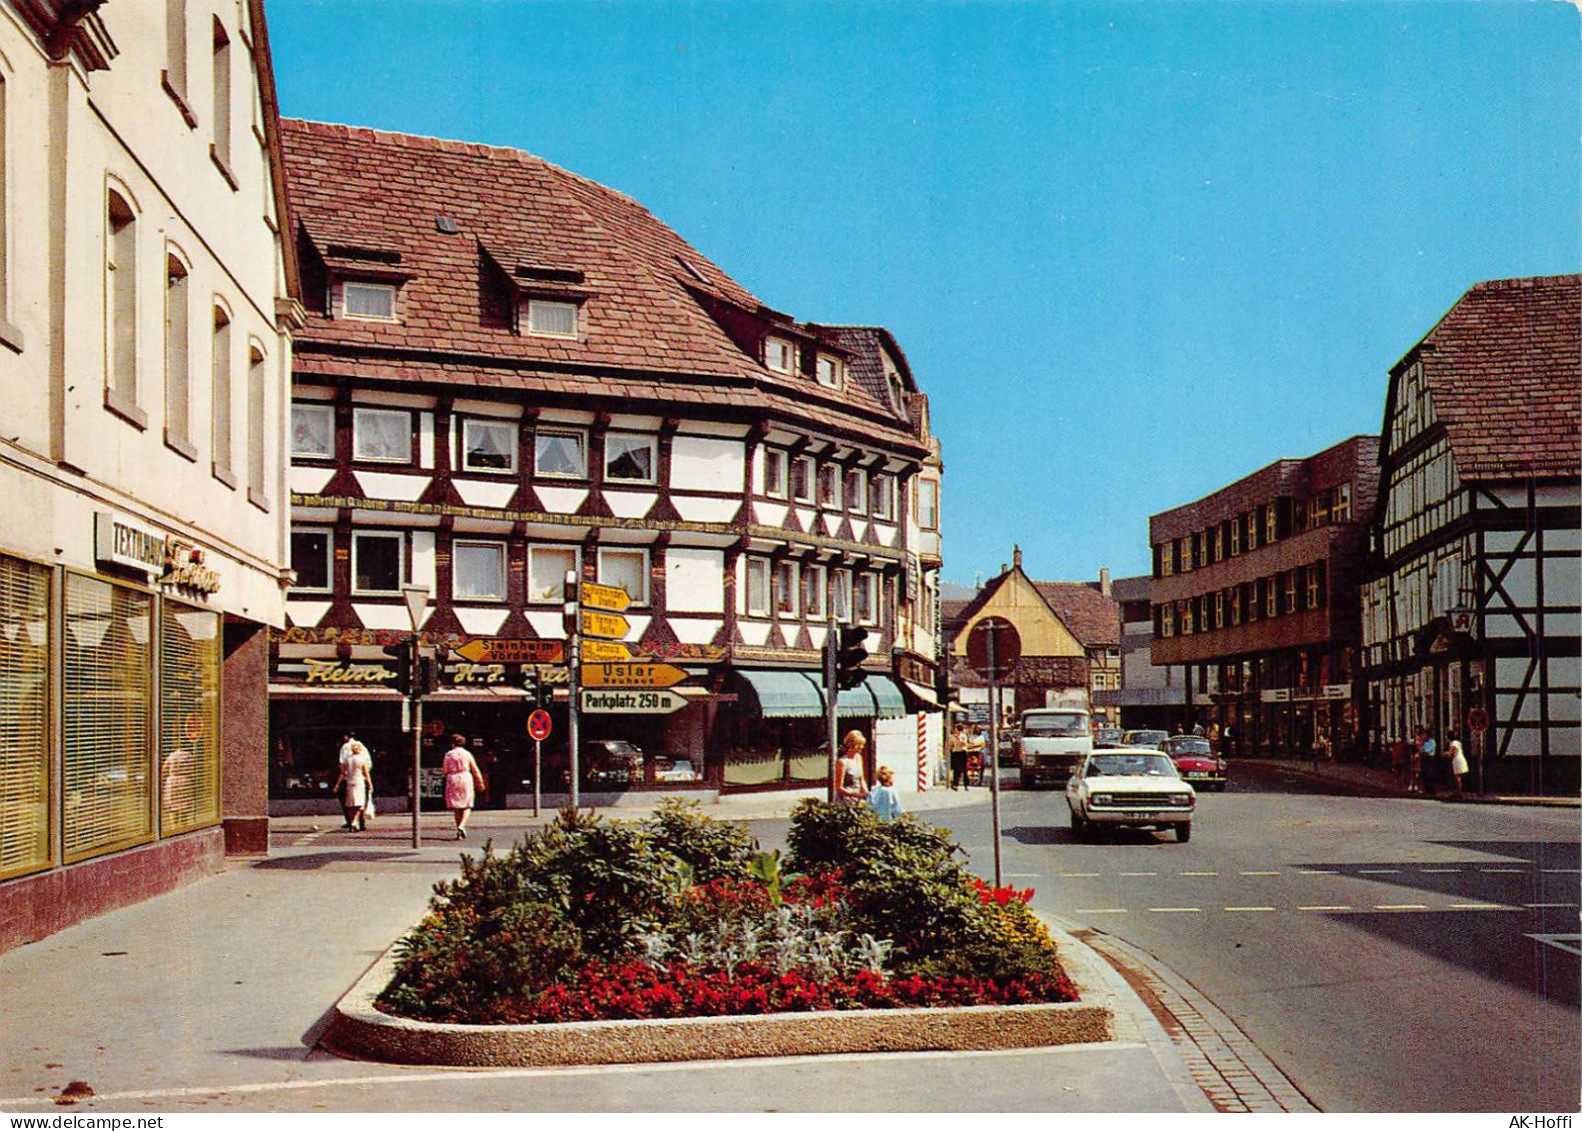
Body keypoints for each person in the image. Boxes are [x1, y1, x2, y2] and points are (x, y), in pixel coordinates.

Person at [442, 734, 486, 839]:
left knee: (456, 806)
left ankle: (459, 830)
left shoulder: (448, 754)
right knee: (467, 804)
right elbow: (475, 769)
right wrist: (480, 782)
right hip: (465, 777)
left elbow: (444, 770)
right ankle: (462, 825)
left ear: (452, 744)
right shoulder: (467, 754)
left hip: (452, 778)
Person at [333, 735, 373, 831]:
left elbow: (342, 771)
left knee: (350, 804)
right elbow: (366, 772)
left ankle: (351, 823)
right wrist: (370, 783)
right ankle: (357, 821)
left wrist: (337, 785)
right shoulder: (362, 758)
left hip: (349, 781)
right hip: (359, 781)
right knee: (360, 803)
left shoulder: (347, 757)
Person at [834, 731, 869, 806]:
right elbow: (838, 788)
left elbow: (861, 779)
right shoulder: (842, 762)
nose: (862, 747)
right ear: (851, 745)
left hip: (858, 799)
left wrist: (866, 793)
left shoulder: (858, 758)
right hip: (845, 800)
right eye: (859, 745)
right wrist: (856, 795)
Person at [1416, 726, 1437, 796]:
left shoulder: (1431, 742)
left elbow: (1426, 751)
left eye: (1424, 735)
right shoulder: (1424, 742)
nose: (1423, 736)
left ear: (1428, 735)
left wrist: (1422, 750)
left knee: (1430, 775)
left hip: (1429, 759)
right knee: (1424, 775)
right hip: (1424, 759)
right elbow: (1420, 750)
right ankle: (1426, 790)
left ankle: (1432, 791)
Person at [1447, 730, 1468, 797]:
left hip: (1457, 760)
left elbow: (1451, 753)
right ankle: (1458, 791)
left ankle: (1458, 792)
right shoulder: (1458, 743)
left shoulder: (1453, 743)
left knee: (1457, 777)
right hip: (1461, 759)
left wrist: (1444, 754)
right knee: (1459, 777)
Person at [948, 724, 969, 791]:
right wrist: (951, 743)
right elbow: (950, 745)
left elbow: (965, 744)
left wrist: (959, 739)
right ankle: (955, 784)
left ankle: (966, 785)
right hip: (956, 752)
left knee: (964, 769)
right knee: (956, 769)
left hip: (962, 752)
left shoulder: (963, 736)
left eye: (956, 729)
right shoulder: (952, 737)